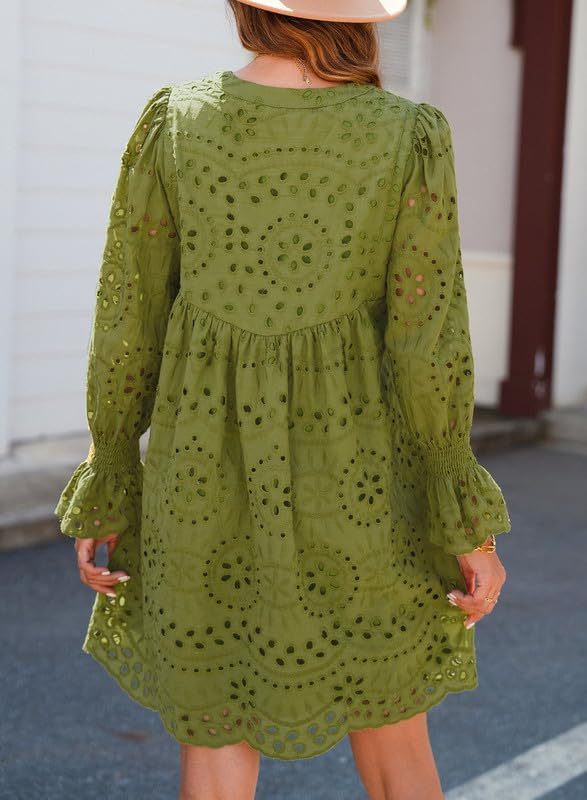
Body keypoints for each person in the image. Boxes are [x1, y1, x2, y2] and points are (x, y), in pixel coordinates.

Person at [53, 0, 512, 797]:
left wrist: (111, 477)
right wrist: (460, 518)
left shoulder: (176, 120)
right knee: (393, 733)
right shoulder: (406, 134)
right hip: (362, 483)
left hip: (200, 479)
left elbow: (129, 320)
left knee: (214, 730)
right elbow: (424, 345)